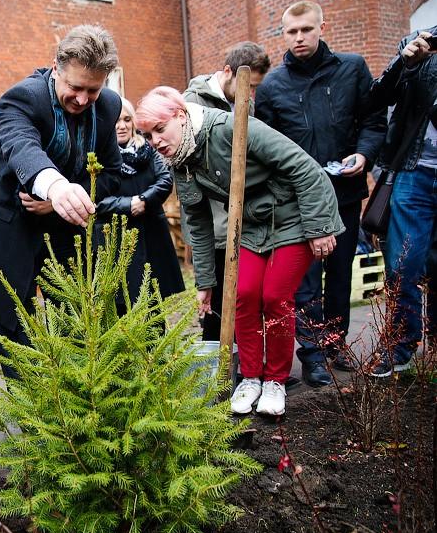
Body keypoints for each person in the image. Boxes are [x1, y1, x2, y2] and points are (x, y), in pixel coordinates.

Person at [134, 86, 343, 416]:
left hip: (293, 219)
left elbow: (304, 167)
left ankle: (275, 380)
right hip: (250, 228)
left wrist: (320, 228)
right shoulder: (181, 161)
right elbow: (199, 224)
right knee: (241, 294)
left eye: (160, 129)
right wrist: (205, 283)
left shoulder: (230, 128)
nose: (156, 141)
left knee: (274, 297)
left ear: (181, 115)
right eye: (147, 135)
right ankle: (250, 377)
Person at [0, 25, 122, 380]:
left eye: (92, 90)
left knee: (77, 318)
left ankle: (75, 408)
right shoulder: (23, 98)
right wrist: (53, 186)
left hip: (65, 230)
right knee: (16, 324)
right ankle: (32, 423)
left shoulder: (109, 107)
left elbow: (111, 173)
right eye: (75, 87)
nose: (83, 99)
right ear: (56, 69)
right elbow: (21, 146)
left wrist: (59, 201)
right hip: (12, 228)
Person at [255, 1, 386, 387]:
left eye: (307, 30)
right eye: (292, 32)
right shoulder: (273, 86)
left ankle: (336, 344)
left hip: (345, 194)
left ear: (321, 27)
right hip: (297, 204)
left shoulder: (353, 69)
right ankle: (312, 354)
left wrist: (364, 152)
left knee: (340, 273)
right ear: (283, 34)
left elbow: (374, 121)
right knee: (306, 279)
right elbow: (265, 149)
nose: (299, 38)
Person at [184, 41, 271, 342]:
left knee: (245, 298)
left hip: (244, 216)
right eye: (248, 86)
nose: (251, 95)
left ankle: (242, 365)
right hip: (215, 220)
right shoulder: (194, 102)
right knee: (218, 299)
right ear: (227, 72)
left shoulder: (244, 99)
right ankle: (216, 372)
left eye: (255, 88)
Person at [365, 26, 437, 376]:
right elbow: (376, 99)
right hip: (415, 170)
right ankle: (400, 342)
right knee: (402, 262)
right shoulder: (421, 43)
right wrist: (406, 65)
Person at [95, 95, 184, 315]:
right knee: (124, 303)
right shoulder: (99, 155)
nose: (122, 126)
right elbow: (95, 198)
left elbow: (165, 180)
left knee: (154, 300)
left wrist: (144, 200)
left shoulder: (148, 150)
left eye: (126, 119)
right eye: (116, 120)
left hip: (152, 233)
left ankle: (157, 348)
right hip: (117, 238)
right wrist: (128, 204)